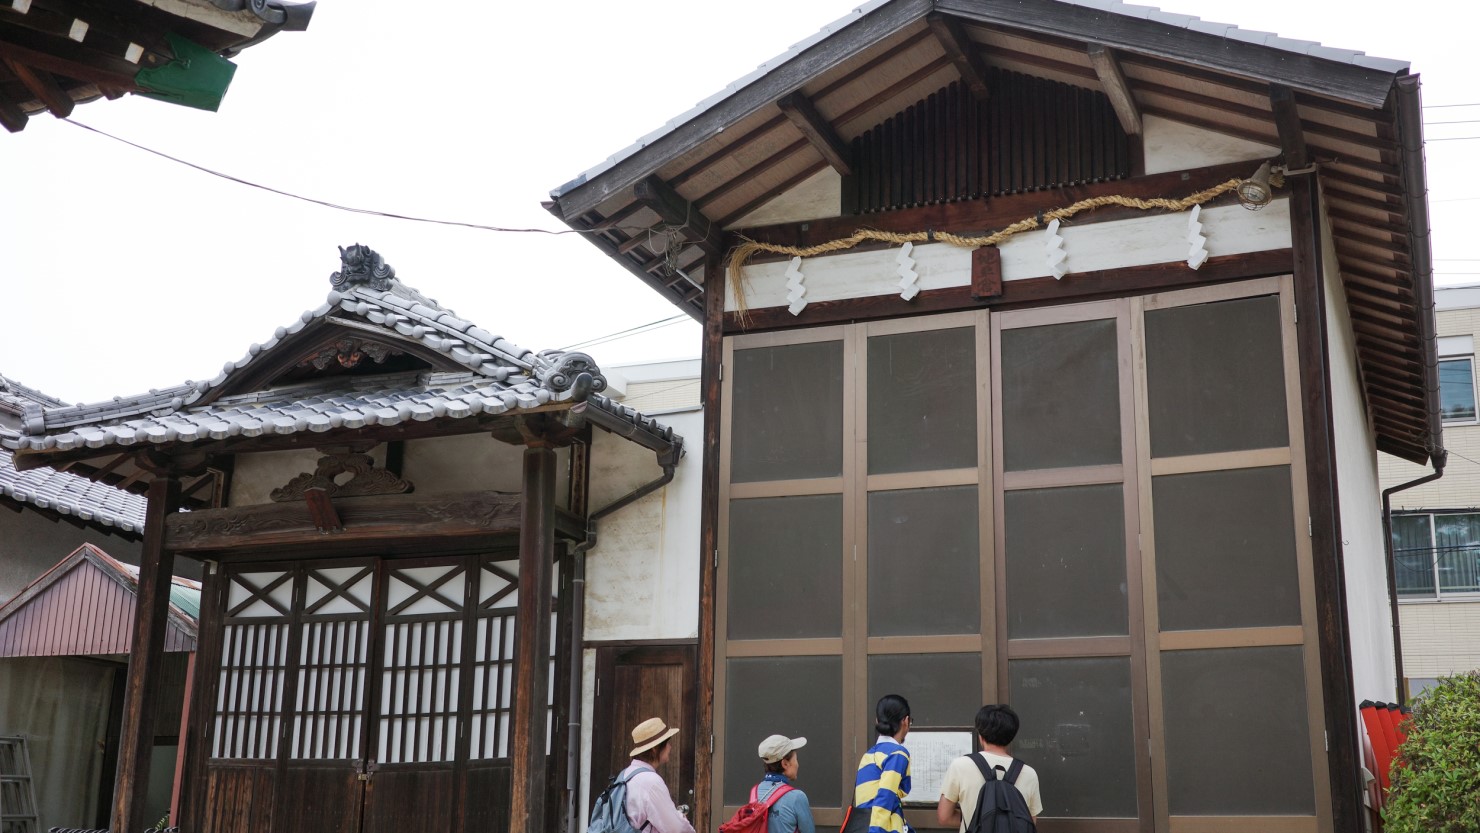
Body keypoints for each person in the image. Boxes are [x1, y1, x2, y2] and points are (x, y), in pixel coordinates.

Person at [936, 705, 1042, 830]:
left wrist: (976, 821)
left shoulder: (960, 765)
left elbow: (944, 817)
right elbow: (1030, 822)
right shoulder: (1029, 773)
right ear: (1011, 736)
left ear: (980, 735)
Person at [844, 694, 914, 833]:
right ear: (905, 721)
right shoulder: (898, 754)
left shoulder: (868, 755)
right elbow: (885, 797)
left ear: (877, 720)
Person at [618, 717, 695, 833]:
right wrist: (681, 818)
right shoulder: (650, 782)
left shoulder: (625, 775)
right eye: (667, 743)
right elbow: (676, 829)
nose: (670, 747)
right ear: (654, 749)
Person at [754, 734, 816, 833]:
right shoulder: (797, 797)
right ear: (785, 764)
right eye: (796, 759)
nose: (798, 764)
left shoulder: (755, 792)